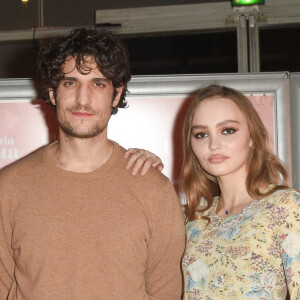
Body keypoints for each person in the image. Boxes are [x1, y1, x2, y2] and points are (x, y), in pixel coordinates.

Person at [0, 28, 185, 300]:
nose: (83, 100)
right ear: (52, 92)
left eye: (98, 84)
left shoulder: (152, 189)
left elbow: (166, 293)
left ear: (115, 94)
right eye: (70, 83)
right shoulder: (9, 187)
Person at [126, 84, 300, 299]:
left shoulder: (284, 206)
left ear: (252, 137)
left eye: (228, 131)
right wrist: (143, 175)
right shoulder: (190, 217)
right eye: (201, 134)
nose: (214, 144)